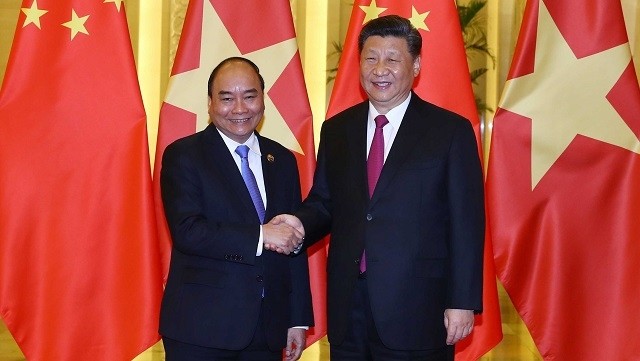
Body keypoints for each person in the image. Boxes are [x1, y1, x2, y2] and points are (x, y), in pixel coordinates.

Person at [273, 15, 484, 360]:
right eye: (371, 58)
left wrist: (462, 301)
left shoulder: (450, 132)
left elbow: (467, 223)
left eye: (392, 58)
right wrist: (300, 223)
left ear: (415, 66)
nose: (380, 69)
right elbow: (325, 202)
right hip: (347, 307)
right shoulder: (337, 130)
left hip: (417, 307)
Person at [159, 57, 313, 361]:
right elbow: (188, 231)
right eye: (227, 98)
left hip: (267, 328)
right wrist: (261, 236)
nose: (240, 108)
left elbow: (292, 241)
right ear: (210, 103)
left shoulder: (282, 159)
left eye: (250, 96)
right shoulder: (184, 155)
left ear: (263, 100)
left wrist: (297, 318)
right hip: (201, 329)